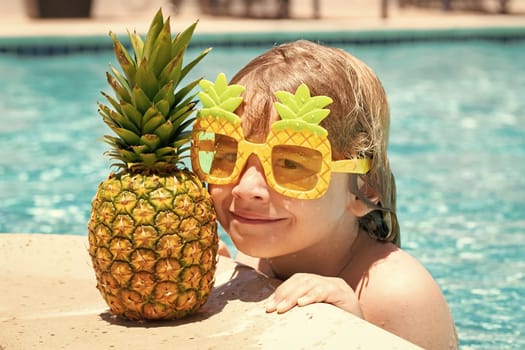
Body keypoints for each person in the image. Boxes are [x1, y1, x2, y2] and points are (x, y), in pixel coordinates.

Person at [191, 40, 458, 349]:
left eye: (291, 163)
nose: (245, 189)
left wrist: (352, 333)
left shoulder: (399, 294)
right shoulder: (255, 255)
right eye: (225, 153)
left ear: (364, 188)